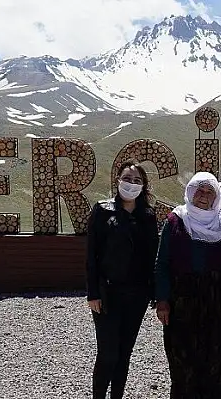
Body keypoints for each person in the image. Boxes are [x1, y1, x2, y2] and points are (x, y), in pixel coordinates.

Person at [154, 171, 221, 399]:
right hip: (183, 302)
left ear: (217, 196)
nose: (204, 196)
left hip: (218, 303)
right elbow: (162, 262)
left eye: (209, 192)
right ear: (190, 192)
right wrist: (162, 300)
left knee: (218, 361)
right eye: (199, 191)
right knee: (183, 361)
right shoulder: (175, 221)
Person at [85, 160, 159, 399]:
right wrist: (92, 293)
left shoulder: (148, 216)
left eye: (137, 180)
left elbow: (152, 256)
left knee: (125, 353)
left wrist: (154, 293)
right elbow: (91, 254)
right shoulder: (102, 211)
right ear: (117, 180)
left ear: (144, 186)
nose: (131, 184)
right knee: (108, 354)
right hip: (107, 294)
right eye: (127, 179)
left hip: (136, 295)